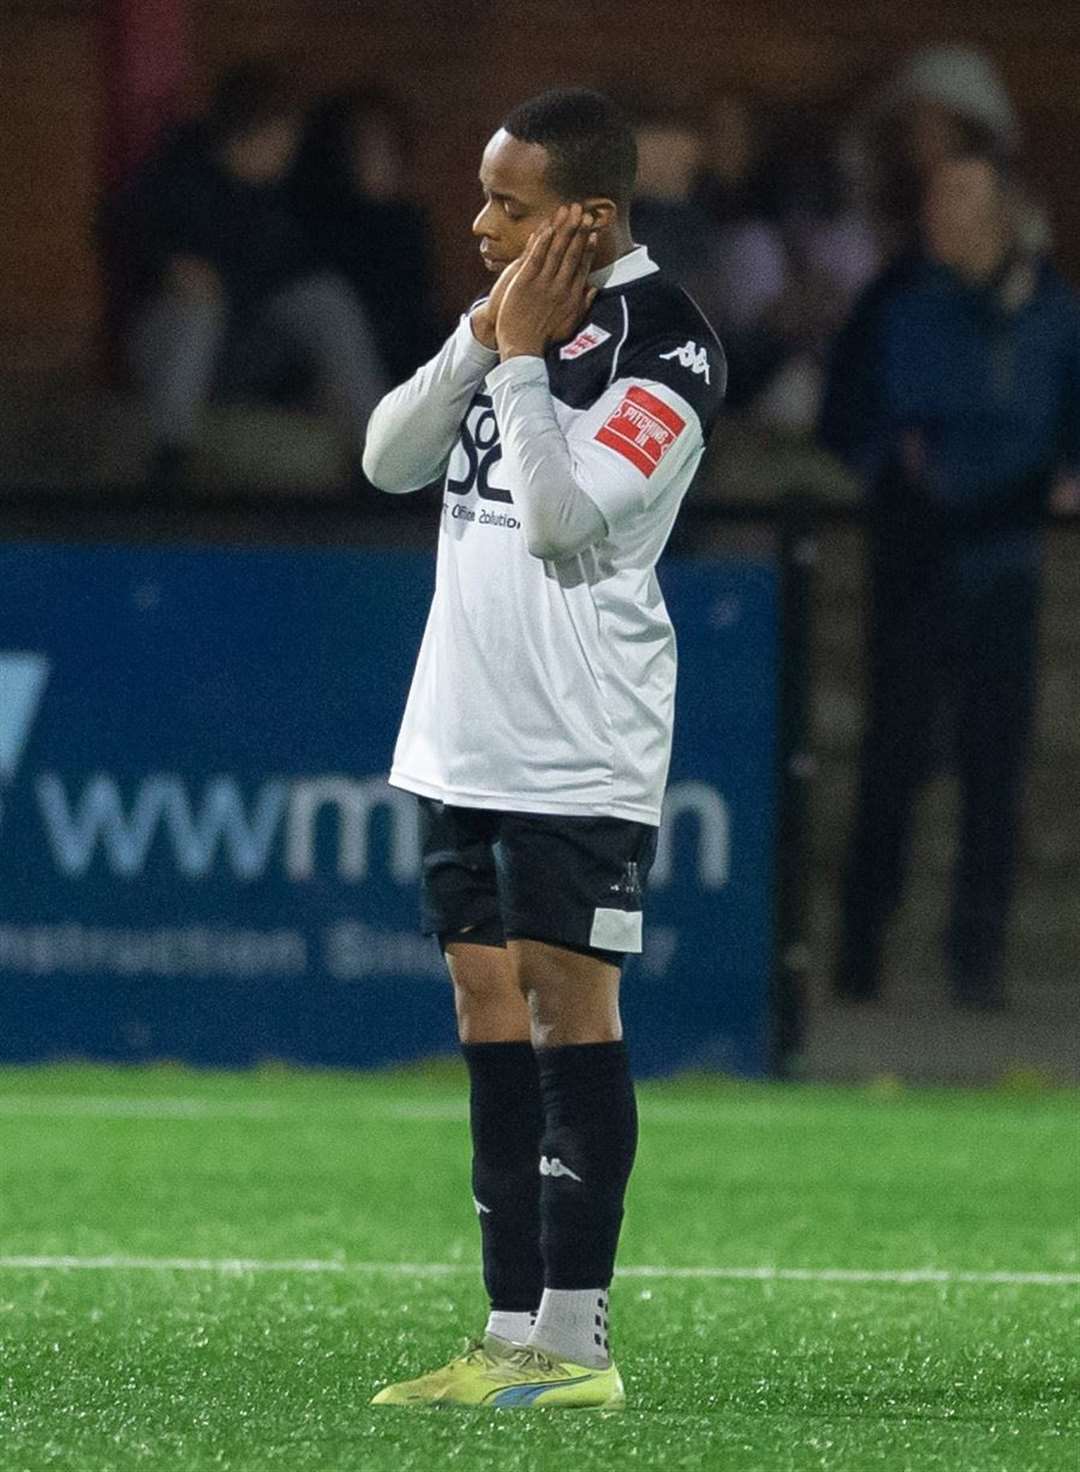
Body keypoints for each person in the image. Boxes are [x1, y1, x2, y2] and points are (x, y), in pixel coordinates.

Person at [362, 87, 725, 1409]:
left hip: (579, 743)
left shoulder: (666, 346)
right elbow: (386, 461)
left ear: (589, 215)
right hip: (457, 731)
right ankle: (509, 1329)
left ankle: (578, 1343)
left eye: (508, 205)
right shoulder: (501, 316)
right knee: (484, 1005)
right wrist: (482, 346)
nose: (478, 223)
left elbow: (565, 526)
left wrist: (519, 362)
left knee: (574, 1006)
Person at [821, 147, 1080, 1010]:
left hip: (1004, 573)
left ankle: (978, 961)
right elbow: (870, 423)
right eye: (935, 196)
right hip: (918, 569)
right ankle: (859, 954)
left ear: (1004, 212)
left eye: (961, 196)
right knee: (890, 766)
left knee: (994, 772)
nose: (942, 212)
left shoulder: (1053, 317)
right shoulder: (905, 309)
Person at [111, 62, 387, 483]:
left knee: (328, 299)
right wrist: (174, 265)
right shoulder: (181, 175)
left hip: (254, 352)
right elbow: (126, 230)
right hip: (172, 349)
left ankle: (375, 455)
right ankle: (170, 459)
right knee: (199, 306)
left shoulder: (287, 193)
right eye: (278, 137)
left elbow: (298, 277)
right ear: (249, 132)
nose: (286, 150)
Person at [290, 86, 444, 387]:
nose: (382, 162)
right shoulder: (319, 220)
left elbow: (417, 313)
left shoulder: (406, 224)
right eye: (368, 149)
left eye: (388, 150)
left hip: (403, 361)